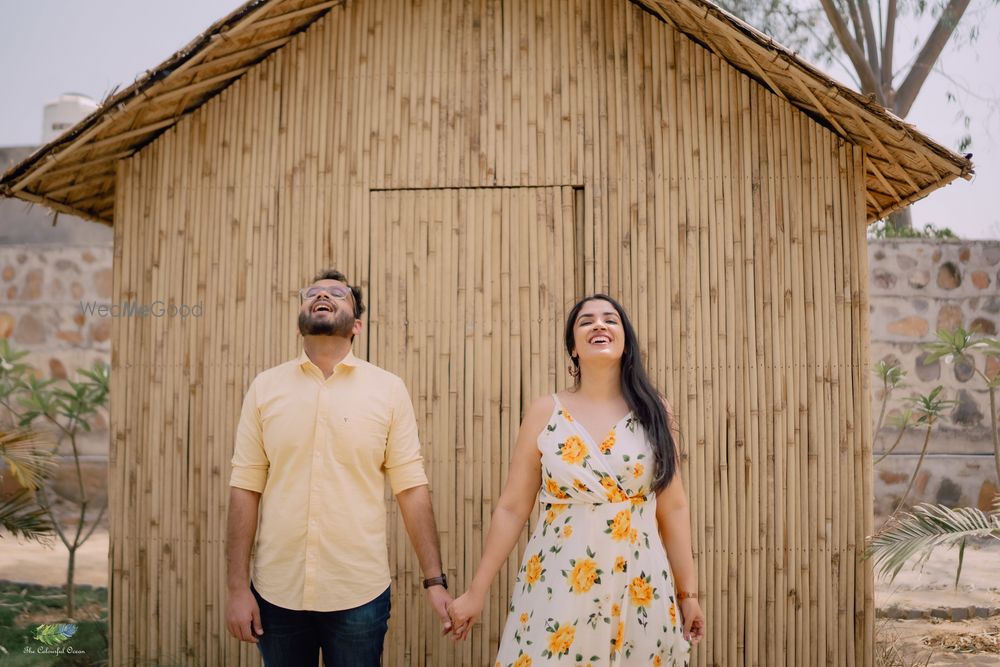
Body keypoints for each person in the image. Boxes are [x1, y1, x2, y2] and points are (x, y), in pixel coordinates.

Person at [447, 294, 706, 665]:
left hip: (637, 582)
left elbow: (674, 506)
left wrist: (688, 595)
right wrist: (476, 591)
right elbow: (511, 508)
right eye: (586, 321)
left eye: (610, 320)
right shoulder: (545, 412)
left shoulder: (654, 410)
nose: (599, 325)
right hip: (560, 582)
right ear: (573, 347)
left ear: (625, 340)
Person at [225, 269, 453, 666]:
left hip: (358, 594)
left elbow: (411, 486)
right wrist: (236, 589)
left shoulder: (388, 389)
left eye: (336, 294)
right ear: (300, 320)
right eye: (311, 293)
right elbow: (245, 486)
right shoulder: (265, 388)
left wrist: (434, 580)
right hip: (276, 592)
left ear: (357, 325)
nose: (321, 296)